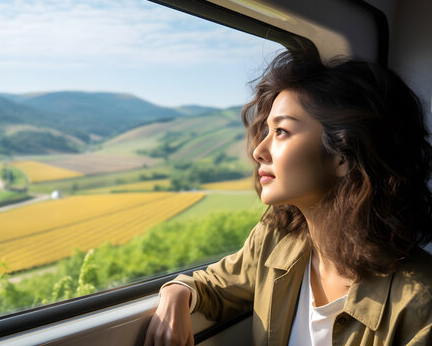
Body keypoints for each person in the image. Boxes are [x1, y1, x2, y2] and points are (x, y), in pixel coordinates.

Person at [143, 50, 432, 346]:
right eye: (266, 130)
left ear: (344, 156)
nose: (259, 151)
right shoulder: (276, 237)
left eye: (281, 130)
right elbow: (216, 285)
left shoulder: (420, 305)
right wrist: (177, 292)